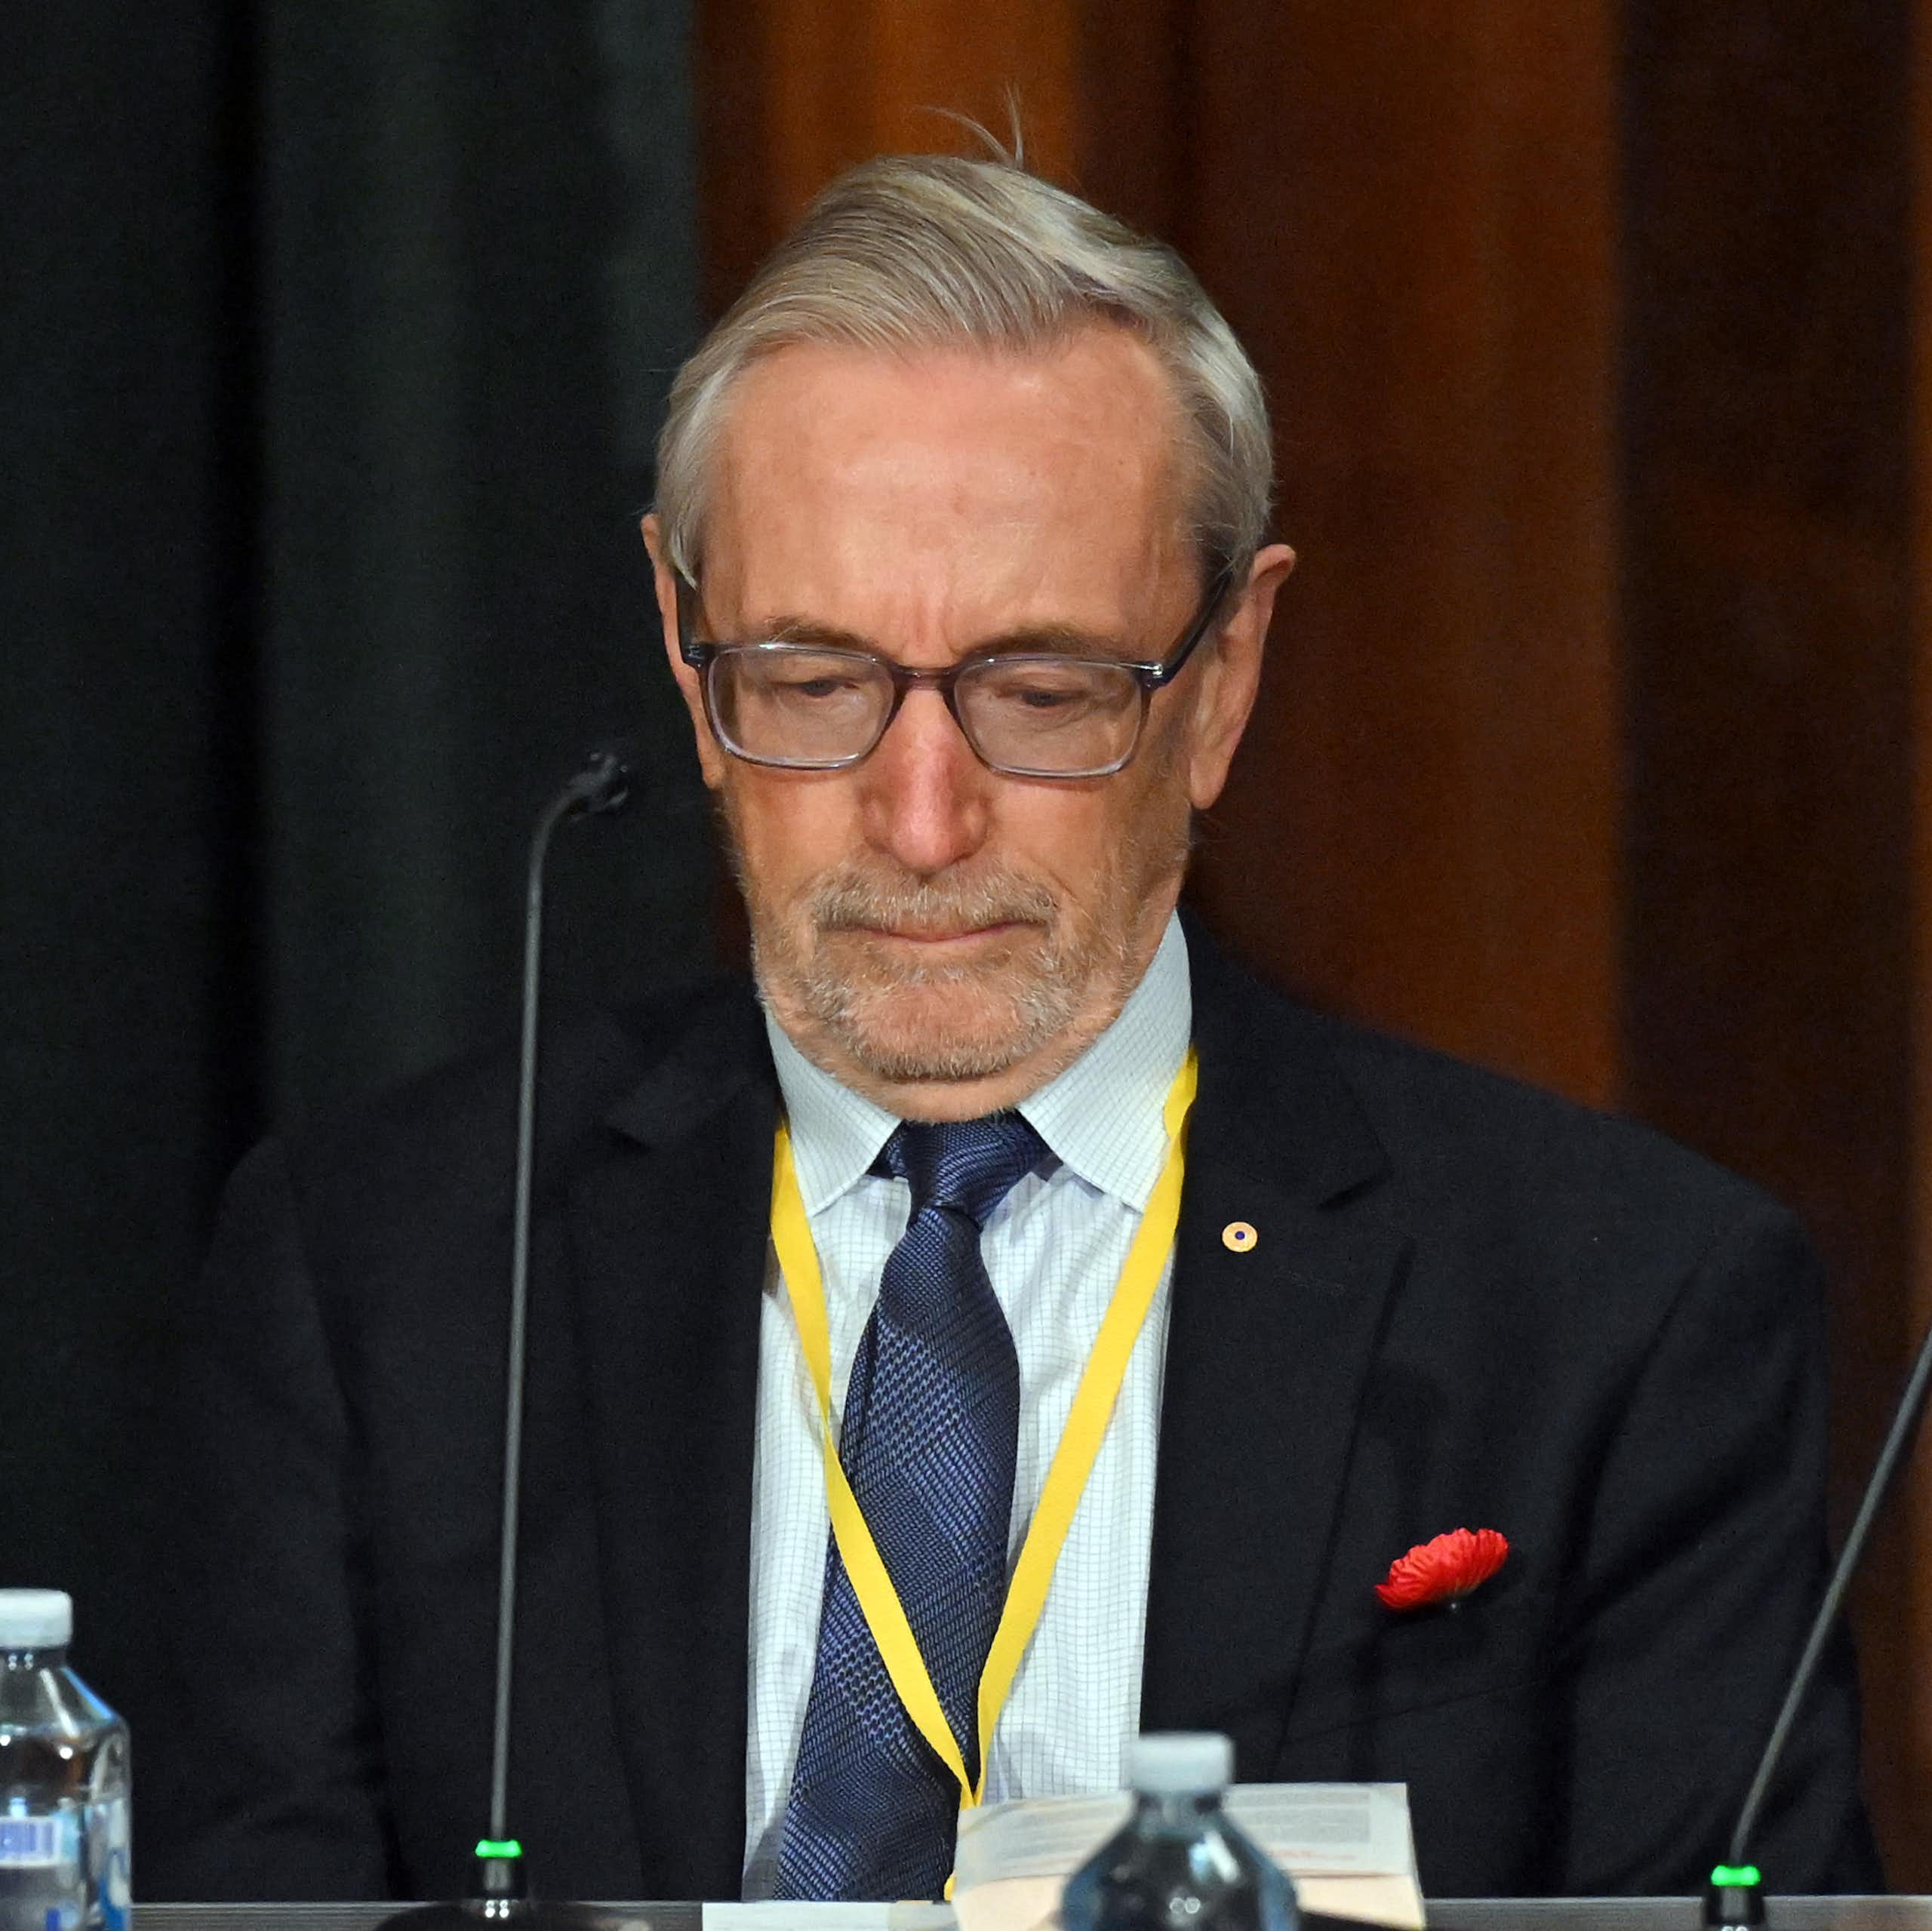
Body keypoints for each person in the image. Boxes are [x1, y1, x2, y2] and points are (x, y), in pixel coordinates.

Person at [156, 152, 1878, 1905]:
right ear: (690, 670)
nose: (919, 817)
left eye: (1040, 691)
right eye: (813, 685)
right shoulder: (382, 1270)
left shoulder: (1616, 1311)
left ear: (1219, 681)